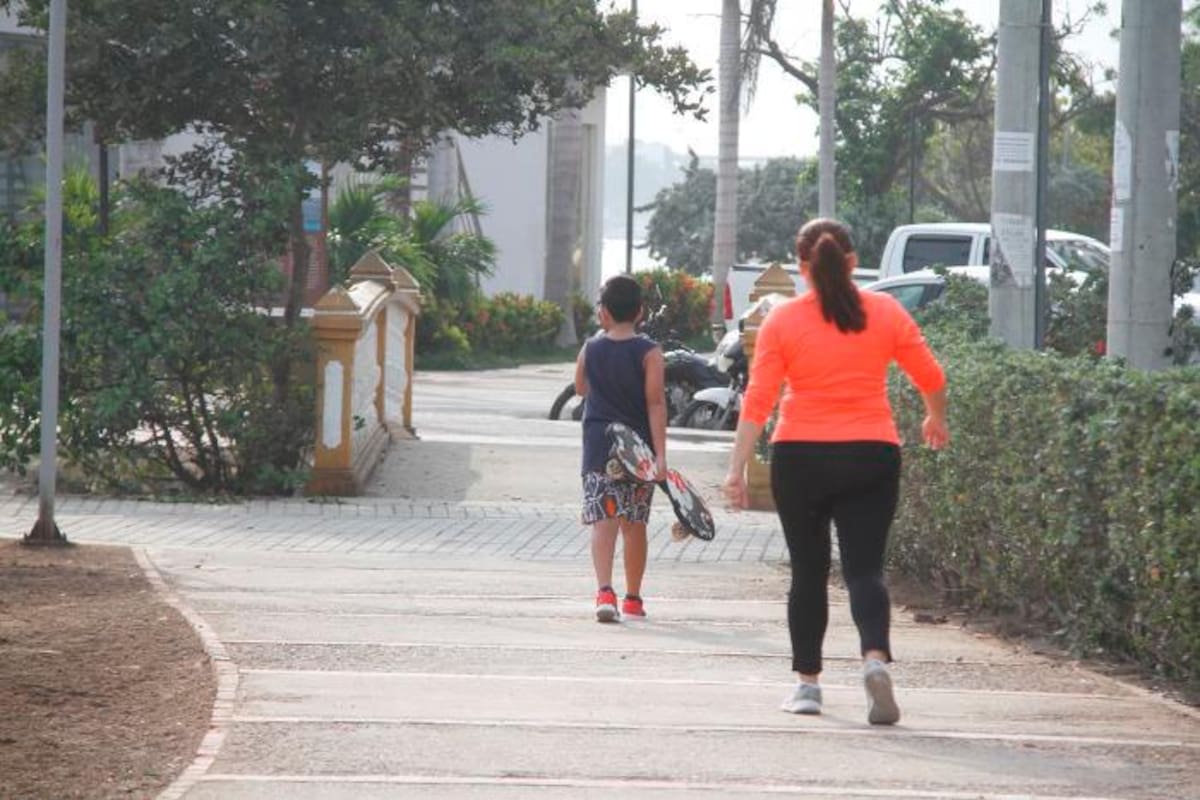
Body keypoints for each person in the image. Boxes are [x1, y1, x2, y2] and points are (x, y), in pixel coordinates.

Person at [722, 218, 949, 725]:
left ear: (803, 267)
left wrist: (736, 469)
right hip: (872, 453)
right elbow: (931, 376)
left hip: (800, 456)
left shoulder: (783, 320)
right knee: (865, 569)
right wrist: (936, 416)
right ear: (852, 262)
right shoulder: (886, 311)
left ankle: (807, 686)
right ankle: (874, 660)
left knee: (808, 572)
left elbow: (759, 401)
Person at [575, 275, 668, 623]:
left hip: (600, 447)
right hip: (638, 453)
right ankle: (632, 598)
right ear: (641, 312)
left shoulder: (591, 347)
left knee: (603, 519)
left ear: (603, 313)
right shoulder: (650, 352)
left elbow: (581, 388)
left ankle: (604, 591)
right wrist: (660, 456)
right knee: (634, 523)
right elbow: (656, 404)